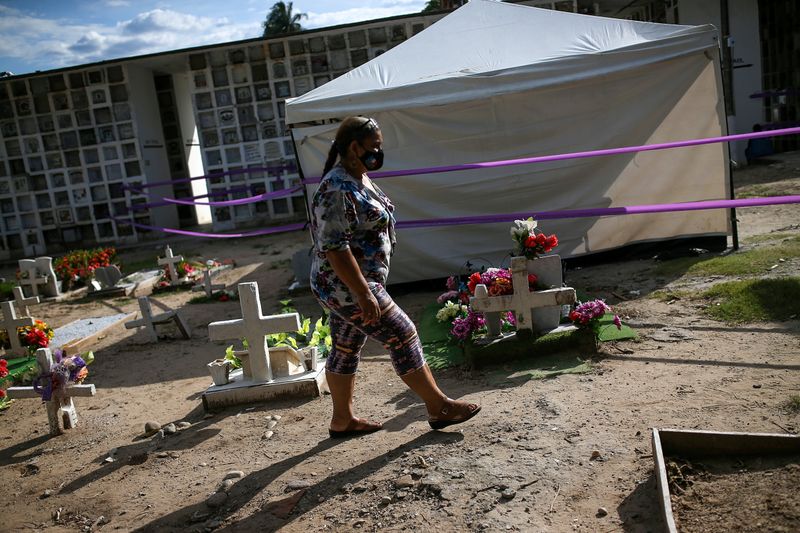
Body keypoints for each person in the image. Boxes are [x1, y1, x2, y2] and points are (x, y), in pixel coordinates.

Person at [310, 116, 481, 438]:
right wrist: (363, 293)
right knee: (402, 335)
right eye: (374, 147)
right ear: (354, 147)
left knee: (346, 347)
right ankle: (438, 406)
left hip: (351, 283)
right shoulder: (336, 188)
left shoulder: (358, 177)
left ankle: (342, 420)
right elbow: (335, 247)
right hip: (346, 285)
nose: (378, 153)